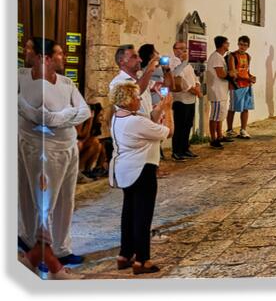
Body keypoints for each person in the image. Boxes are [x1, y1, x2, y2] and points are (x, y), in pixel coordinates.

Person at [18, 38, 91, 279]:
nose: (65, 58)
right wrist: (65, 116)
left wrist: (60, 117)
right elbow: (34, 114)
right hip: (41, 149)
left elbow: (84, 111)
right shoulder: (21, 78)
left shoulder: (67, 82)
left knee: (66, 199)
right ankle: (38, 251)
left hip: (68, 145)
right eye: (60, 54)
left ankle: (62, 248)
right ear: (45, 58)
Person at [108, 80, 172, 274]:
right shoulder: (135, 121)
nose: (138, 100)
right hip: (142, 169)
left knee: (129, 213)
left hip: (125, 170)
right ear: (127, 100)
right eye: (136, 97)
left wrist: (159, 108)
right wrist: (168, 110)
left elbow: (148, 122)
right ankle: (142, 260)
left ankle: (125, 254)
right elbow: (168, 132)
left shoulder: (119, 117)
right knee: (143, 216)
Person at [170, 40, 200, 161]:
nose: (183, 51)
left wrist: (197, 85)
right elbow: (178, 79)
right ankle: (177, 151)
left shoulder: (187, 63)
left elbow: (194, 77)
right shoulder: (173, 62)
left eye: (185, 49)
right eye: (180, 48)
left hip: (191, 99)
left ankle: (185, 148)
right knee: (179, 126)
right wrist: (191, 89)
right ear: (174, 50)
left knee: (188, 124)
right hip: (180, 99)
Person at [226, 35, 256, 139]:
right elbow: (232, 73)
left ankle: (243, 130)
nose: (242, 46)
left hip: (247, 85)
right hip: (236, 86)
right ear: (238, 44)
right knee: (232, 108)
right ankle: (229, 130)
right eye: (241, 44)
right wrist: (247, 78)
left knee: (246, 108)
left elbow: (246, 71)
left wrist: (251, 77)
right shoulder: (232, 56)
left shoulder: (248, 56)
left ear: (248, 46)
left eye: (245, 45)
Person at [206, 36, 232, 149]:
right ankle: (213, 138)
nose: (228, 45)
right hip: (216, 91)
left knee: (220, 115)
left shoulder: (220, 57)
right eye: (227, 43)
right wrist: (231, 74)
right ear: (223, 44)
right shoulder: (216, 57)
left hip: (221, 91)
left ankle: (220, 135)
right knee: (215, 116)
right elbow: (220, 74)